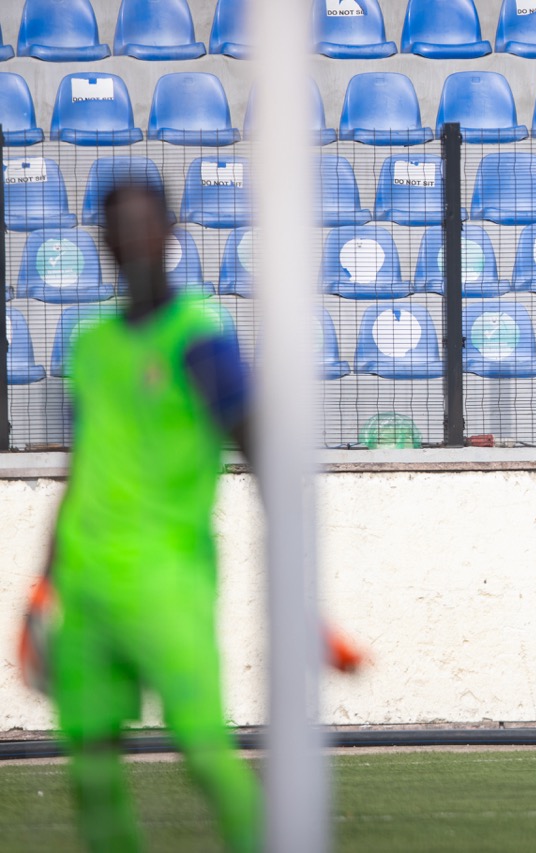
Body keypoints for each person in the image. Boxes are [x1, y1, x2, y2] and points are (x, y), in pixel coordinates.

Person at [41, 182, 261, 852]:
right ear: (103, 242)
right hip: (83, 585)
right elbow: (79, 472)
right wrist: (39, 589)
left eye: (144, 226)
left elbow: (263, 450)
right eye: (118, 229)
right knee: (92, 775)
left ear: (170, 232)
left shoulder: (200, 340)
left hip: (168, 580)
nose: (132, 240)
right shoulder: (89, 346)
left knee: (203, 753)